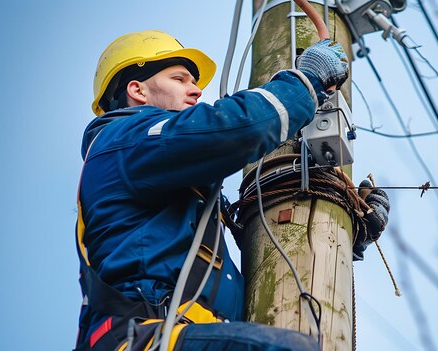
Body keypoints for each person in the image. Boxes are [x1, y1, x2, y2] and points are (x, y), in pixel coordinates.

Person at [74, 30, 389, 350]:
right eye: (179, 79)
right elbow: (233, 129)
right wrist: (304, 83)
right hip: (141, 336)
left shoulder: (180, 191)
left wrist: (341, 235)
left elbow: (265, 252)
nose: (195, 90)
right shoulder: (121, 142)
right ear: (137, 90)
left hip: (187, 330)